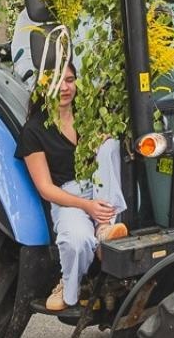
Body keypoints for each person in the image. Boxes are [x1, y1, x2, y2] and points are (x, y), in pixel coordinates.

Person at [17, 63, 129, 312]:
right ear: (43, 87)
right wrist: (86, 205)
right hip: (68, 196)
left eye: (70, 80)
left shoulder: (87, 114)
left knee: (110, 145)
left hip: (100, 189)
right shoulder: (34, 130)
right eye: (57, 81)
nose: (65, 87)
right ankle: (68, 285)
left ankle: (105, 229)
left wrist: (103, 140)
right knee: (76, 242)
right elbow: (46, 188)